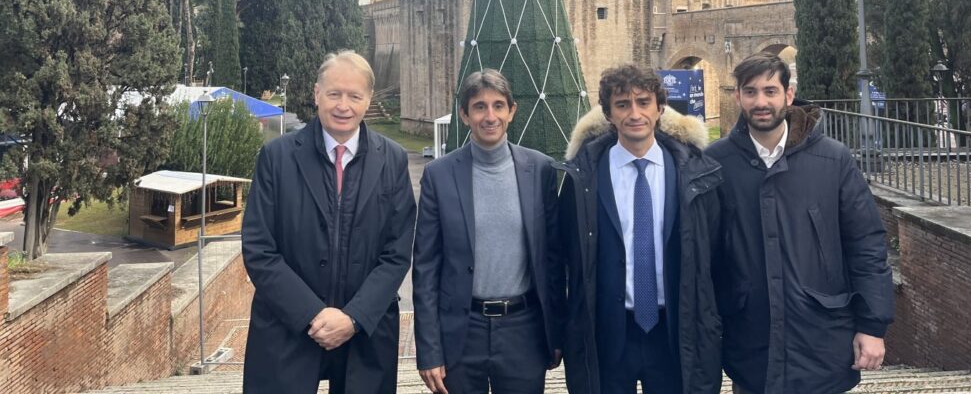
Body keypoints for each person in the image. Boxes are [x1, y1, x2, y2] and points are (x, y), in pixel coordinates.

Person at [707, 52, 894, 394]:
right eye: (750, 92)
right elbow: (705, 256)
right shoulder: (716, 163)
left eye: (770, 91)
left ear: (788, 95)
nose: (760, 102)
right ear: (738, 98)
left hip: (821, 338)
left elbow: (866, 245)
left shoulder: (833, 159)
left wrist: (872, 325)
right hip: (750, 342)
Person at [241, 50, 416, 393]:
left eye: (355, 96)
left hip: (364, 332)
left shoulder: (392, 160)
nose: (343, 106)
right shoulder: (277, 158)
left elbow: (397, 253)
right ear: (317, 94)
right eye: (334, 94)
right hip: (286, 328)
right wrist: (311, 314)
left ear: (368, 100)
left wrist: (353, 318)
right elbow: (259, 248)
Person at [559, 64, 723, 394]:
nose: (635, 114)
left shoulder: (695, 175)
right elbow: (564, 258)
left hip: (673, 332)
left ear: (660, 108)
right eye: (622, 104)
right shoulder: (582, 178)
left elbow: (715, 255)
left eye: (643, 102)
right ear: (608, 114)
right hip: (608, 332)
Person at [413, 69, 564, 394]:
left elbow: (552, 260)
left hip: (524, 331)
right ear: (465, 115)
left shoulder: (539, 170)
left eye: (498, 105)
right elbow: (425, 269)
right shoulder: (439, 176)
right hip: (461, 332)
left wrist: (556, 333)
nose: (490, 116)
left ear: (512, 111)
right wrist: (429, 350)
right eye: (479, 107)